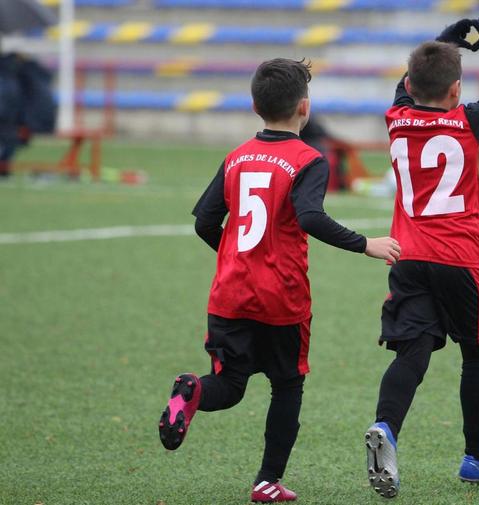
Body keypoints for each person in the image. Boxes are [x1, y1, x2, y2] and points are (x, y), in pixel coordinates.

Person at [158, 58, 401, 503]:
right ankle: (267, 481)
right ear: (305, 108)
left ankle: (191, 392)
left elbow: (205, 222)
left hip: (229, 291)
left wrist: (235, 255)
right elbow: (310, 217)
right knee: (288, 384)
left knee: (229, 385)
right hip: (280, 296)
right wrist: (365, 243)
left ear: (254, 105)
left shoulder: (236, 156)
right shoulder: (309, 159)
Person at [363, 18, 479, 498]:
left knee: (413, 350)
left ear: (411, 85)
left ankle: (386, 428)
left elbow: (408, 84)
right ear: (456, 91)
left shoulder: (396, 117)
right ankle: (477, 458)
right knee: (477, 356)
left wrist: (444, 40)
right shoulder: (467, 120)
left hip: (407, 257)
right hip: (458, 259)